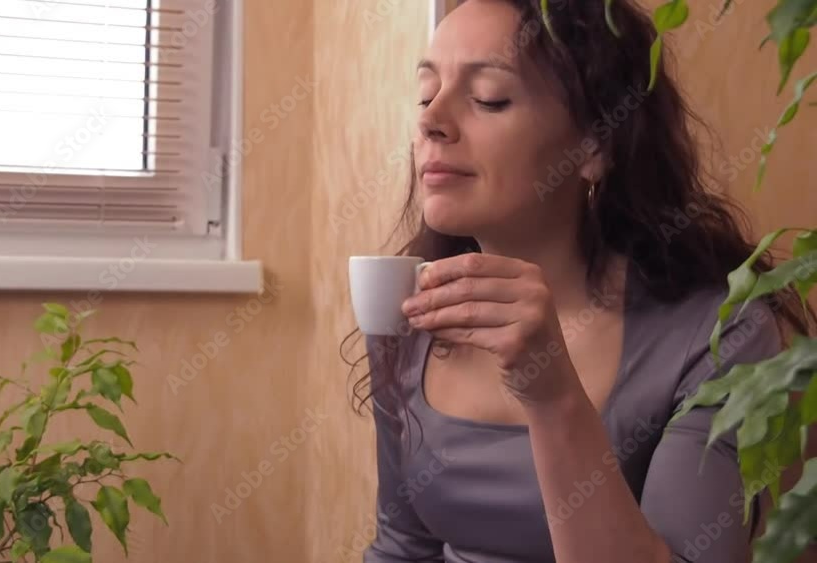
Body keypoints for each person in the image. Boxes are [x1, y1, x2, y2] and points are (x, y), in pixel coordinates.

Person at [347, 1, 814, 562]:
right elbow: (403, 548)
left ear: (596, 144)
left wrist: (550, 393)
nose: (430, 120)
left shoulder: (718, 335)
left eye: (488, 97)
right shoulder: (404, 310)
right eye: (425, 95)